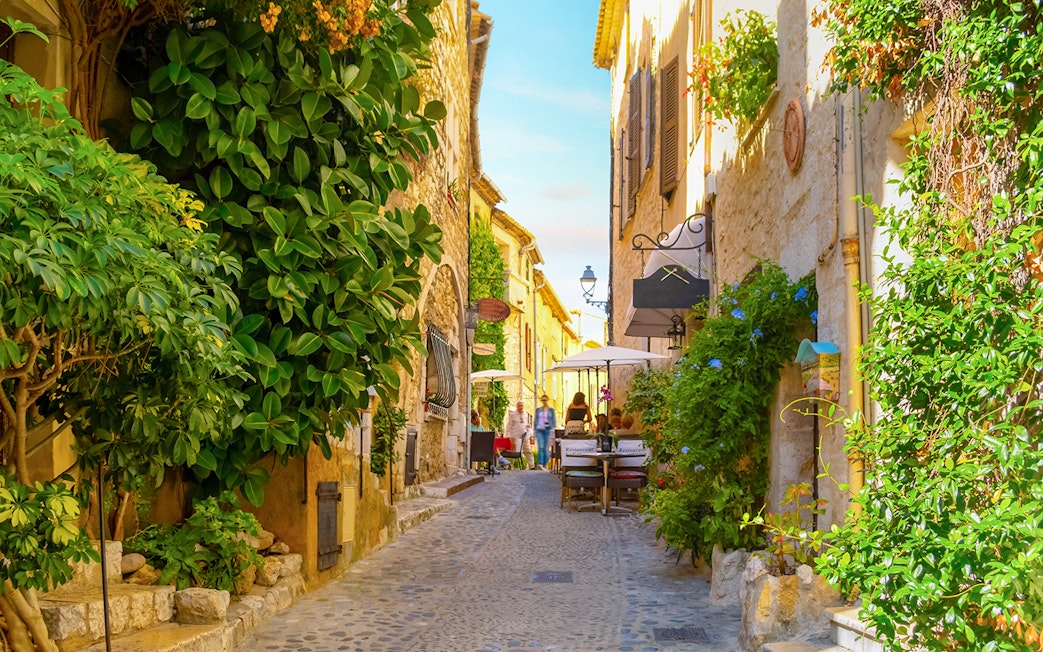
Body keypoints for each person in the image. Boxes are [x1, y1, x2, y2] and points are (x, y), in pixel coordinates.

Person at [505, 400, 535, 470]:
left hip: (524, 435)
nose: (521, 407)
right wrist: (508, 436)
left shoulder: (525, 414)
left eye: (522, 405)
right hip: (514, 436)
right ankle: (509, 466)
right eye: (520, 405)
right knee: (512, 452)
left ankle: (531, 466)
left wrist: (528, 426)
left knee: (527, 450)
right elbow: (509, 425)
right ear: (517, 406)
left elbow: (525, 423)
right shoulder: (513, 415)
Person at [533, 395, 556, 470]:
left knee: (546, 448)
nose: (544, 401)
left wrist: (551, 427)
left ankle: (545, 463)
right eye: (542, 400)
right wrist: (534, 431)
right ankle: (541, 464)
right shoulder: (538, 410)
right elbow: (535, 421)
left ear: (548, 400)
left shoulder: (551, 410)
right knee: (540, 447)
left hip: (547, 429)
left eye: (545, 400)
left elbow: (554, 422)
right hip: (539, 429)